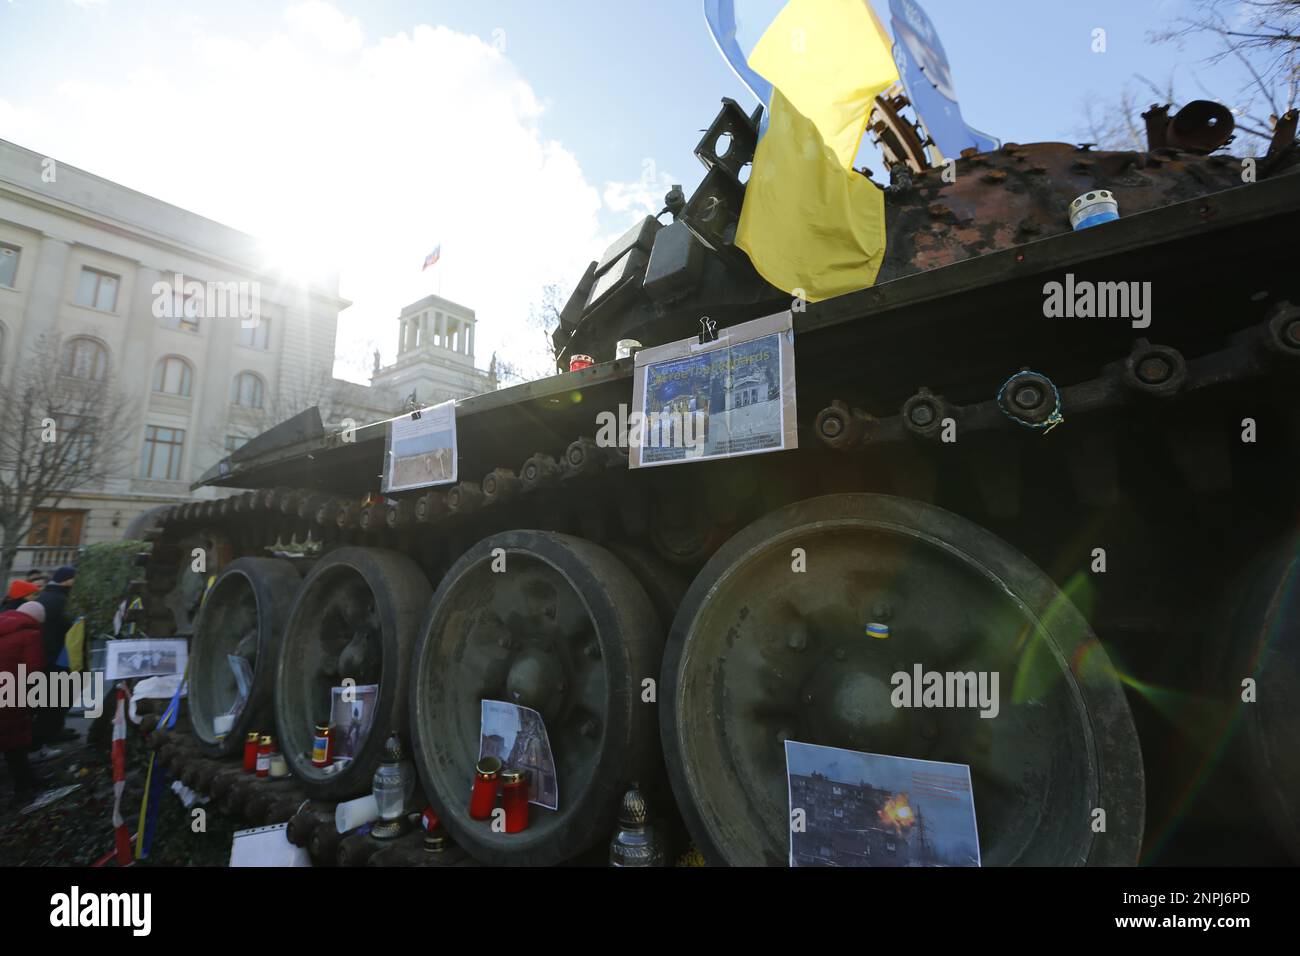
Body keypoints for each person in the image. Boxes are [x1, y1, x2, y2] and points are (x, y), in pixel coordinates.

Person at [0, 601, 47, 807]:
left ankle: (27, 779)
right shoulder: (31, 634)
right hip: (10, 692)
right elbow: (34, 670)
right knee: (14, 740)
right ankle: (23, 786)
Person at [32, 565, 77, 755]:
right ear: (67, 580)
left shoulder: (46, 596)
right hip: (57, 657)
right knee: (53, 702)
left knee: (51, 701)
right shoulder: (60, 600)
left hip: (49, 656)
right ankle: (44, 739)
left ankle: (53, 732)